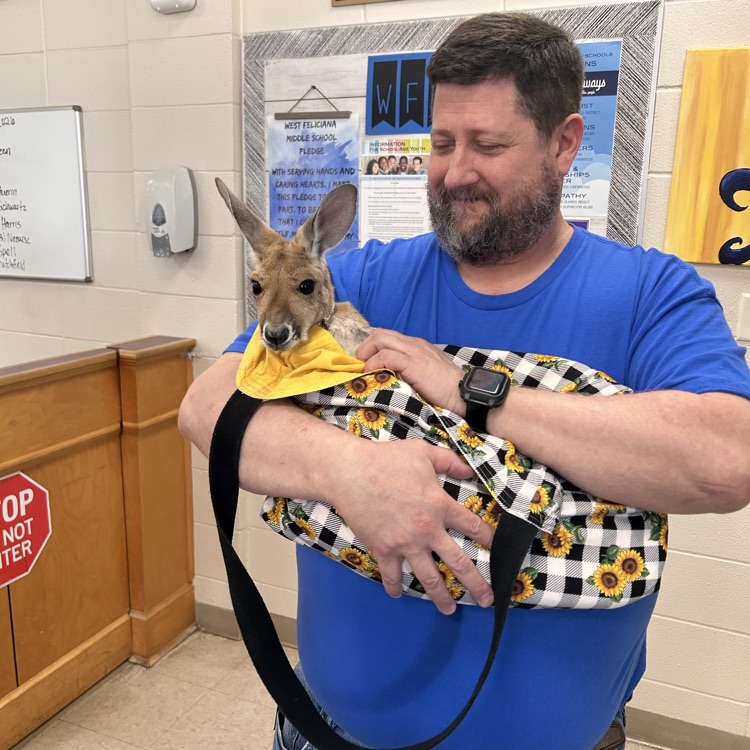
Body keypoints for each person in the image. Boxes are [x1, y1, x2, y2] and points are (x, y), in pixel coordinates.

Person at [179, 12, 750, 750]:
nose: (454, 171)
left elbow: (725, 462)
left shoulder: (650, 292)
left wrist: (479, 392)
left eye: (488, 144)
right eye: (441, 143)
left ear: (564, 143)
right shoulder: (353, 279)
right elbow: (206, 407)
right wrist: (350, 470)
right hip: (330, 730)